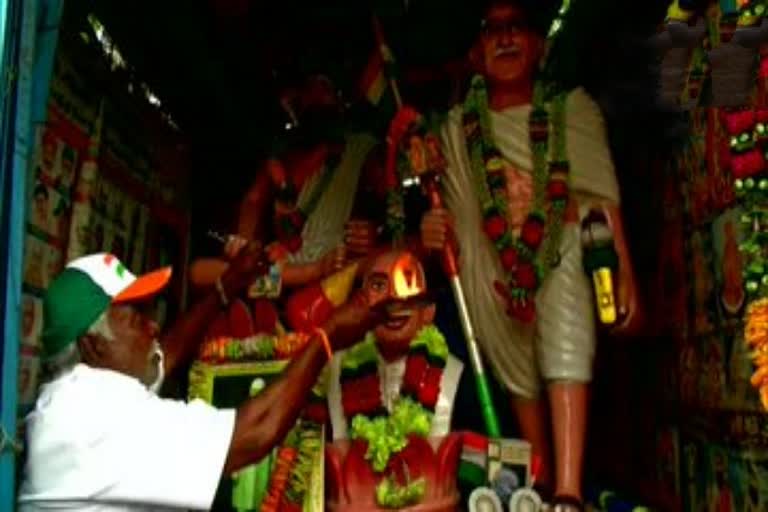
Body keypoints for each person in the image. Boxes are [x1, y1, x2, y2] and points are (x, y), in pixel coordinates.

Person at [418, 1, 639, 509]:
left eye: (517, 27)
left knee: (567, 349)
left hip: (559, 251)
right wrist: (432, 229)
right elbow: (446, 207)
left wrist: (625, 273)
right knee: (517, 372)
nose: (506, 38)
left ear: (540, 47)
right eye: (492, 30)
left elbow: (602, 201)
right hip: (494, 268)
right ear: (476, 55)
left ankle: (568, 488)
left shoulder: (572, 110)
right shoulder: (455, 131)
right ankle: (538, 480)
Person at [17, 247, 383, 511]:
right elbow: (253, 432)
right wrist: (327, 336)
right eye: (135, 318)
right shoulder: (95, 416)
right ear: (92, 344)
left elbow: (165, 355)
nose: (153, 326)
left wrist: (224, 290)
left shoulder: (74, 395)